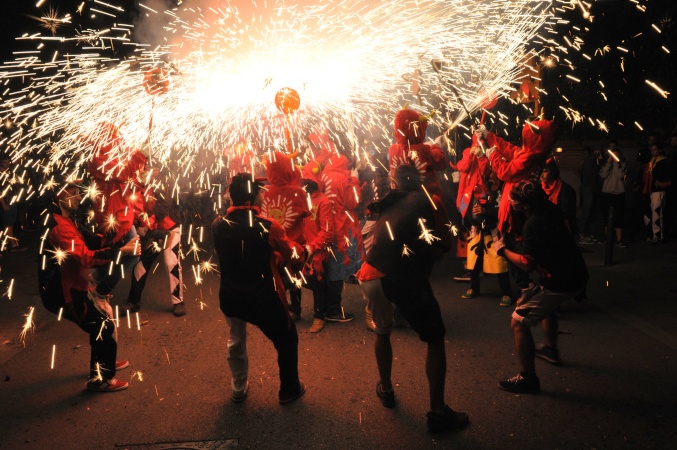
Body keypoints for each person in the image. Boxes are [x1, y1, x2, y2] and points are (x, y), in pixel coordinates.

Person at [356, 164, 467, 434]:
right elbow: (443, 244)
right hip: (400, 275)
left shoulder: (389, 203)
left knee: (382, 332)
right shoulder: (430, 199)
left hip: (369, 274)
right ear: (422, 180)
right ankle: (438, 413)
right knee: (435, 338)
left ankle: (386, 389)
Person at [212, 173, 306, 404]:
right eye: (259, 193)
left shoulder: (217, 225)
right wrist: (303, 251)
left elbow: (241, 249)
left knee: (236, 340)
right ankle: (289, 390)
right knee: (287, 339)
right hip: (263, 297)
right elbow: (290, 254)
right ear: (250, 200)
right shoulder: (268, 226)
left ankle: (238, 387)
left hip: (231, 296)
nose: (264, 197)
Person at [39, 183, 140, 392]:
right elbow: (85, 257)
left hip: (72, 285)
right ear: (60, 198)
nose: (79, 197)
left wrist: (117, 237)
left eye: (78, 192)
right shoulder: (59, 227)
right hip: (62, 293)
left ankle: (103, 367)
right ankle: (102, 379)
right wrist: (122, 251)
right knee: (103, 326)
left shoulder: (68, 219)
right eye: (73, 193)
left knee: (100, 326)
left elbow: (92, 241)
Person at [494, 180, 588, 394]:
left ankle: (528, 378)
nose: (509, 200)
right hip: (574, 271)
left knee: (518, 322)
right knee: (548, 307)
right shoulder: (550, 209)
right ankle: (550, 348)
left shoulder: (533, 223)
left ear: (524, 204)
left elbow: (527, 264)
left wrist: (502, 250)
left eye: (513, 198)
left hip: (562, 280)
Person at [85, 123, 146, 310]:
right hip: (115, 218)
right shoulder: (98, 159)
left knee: (125, 255)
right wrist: (138, 151)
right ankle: (100, 291)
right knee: (131, 256)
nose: (118, 138)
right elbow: (124, 174)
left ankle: (95, 279)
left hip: (123, 215)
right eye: (114, 135)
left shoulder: (111, 155)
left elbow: (130, 181)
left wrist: (141, 217)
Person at [456, 139, 512, 307]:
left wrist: (486, 211)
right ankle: (474, 288)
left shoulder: (505, 186)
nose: (492, 172)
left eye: (494, 169)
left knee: (498, 260)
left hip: (494, 228)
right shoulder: (482, 181)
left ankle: (507, 292)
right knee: (473, 259)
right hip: (477, 228)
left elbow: (504, 210)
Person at [124, 168, 186, 317]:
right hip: (152, 233)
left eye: (148, 168)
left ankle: (178, 302)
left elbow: (163, 207)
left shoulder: (165, 182)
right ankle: (133, 301)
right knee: (140, 265)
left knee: (171, 263)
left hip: (169, 230)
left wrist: (147, 225)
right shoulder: (137, 185)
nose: (145, 170)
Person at [261, 151, 310, 321]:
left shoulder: (264, 191)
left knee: (275, 279)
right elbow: (306, 213)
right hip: (293, 245)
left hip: (272, 245)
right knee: (295, 278)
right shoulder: (298, 192)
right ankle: (295, 309)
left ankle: (279, 307)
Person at [321, 152, 363, 323]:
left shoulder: (323, 176)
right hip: (341, 228)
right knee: (336, 270)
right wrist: (354, 180)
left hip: (324, 227)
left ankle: (323, 307)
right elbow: (354, 201)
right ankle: (333, 310)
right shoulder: (343, 179)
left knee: (326, 267)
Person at [299, 162, 336, 333]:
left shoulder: (323, 202)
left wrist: (312, 248)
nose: (305, 184)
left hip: (317, 251)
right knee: (294, 280)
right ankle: (294, 310)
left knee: (318, 284)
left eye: (308, 181)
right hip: (301, 248)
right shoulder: (300, 199)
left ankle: (319, 316)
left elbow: (328, 233)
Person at [599, 145, 628, 247]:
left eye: (616, 155)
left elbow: (620, 176)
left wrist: (616, 164)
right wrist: (609, 163)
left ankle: (619, 239)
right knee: (606, 216)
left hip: (618, 194)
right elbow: (602, 175)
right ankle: (608, 238)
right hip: (607, 194)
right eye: (613, 155)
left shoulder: (623, 164)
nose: (614, 157)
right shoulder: (606, 164)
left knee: (618, 217)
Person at [642, 143, 671, 243]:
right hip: (651, 190)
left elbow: (668, 176)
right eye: (652, 150)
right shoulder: (651, 162)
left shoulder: (663, 161)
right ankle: (652, 234)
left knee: (657, 213)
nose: (653, 151)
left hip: (658, 190)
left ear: (659, 150)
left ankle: (658, 235)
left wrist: (663, 184)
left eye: (655, 149)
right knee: (651, 213)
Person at [540, 157, 577, 233]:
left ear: (553, 172)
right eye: (540, 172)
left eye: (544, 171)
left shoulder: (565, 190)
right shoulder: (540, 188)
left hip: (560, 228)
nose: (541, 175)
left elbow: (567, 214)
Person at [0, 153, 28, 252]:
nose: (7, 164)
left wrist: (20, 189)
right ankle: (13, 245)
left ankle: (8, 242)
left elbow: (13, 183)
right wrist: (3, 204)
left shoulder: (8, 172)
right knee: (8, 224)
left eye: (8, 162)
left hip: (11, 200)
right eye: (4, 162)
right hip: (6, 202)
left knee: (10, 222)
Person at [577, 147, 603, 243]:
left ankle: (586, 233)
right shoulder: (591, 160)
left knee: (590, 211)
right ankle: (583, 234)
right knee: (587, 211)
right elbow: (591, 176)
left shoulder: (592, 160)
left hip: (590, 188)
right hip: (589, 188)